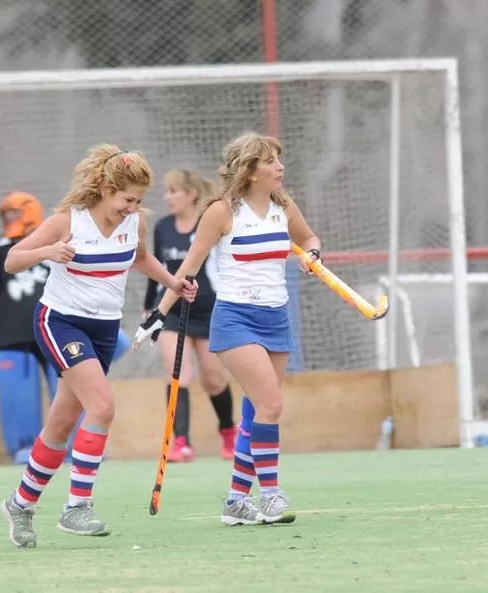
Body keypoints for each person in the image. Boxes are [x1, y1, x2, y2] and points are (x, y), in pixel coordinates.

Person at [0, 144, 197, 548]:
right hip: (61, 321)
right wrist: (48, 252)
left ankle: (20, 503)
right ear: (106, 188)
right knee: (102, 407)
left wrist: (173, 282)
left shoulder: (135, 222)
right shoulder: (67, 221)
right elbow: (12, 261)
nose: (131, 207)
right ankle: (77, 507)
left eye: (138, 201)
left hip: (104, 330)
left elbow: (141, 259)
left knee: (60, 424)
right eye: (126, 199)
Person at [136, 132, 321, 526]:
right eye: (271, 161)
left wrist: (313, 255)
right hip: (236, 318)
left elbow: (307, 238)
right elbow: (188, 266)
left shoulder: (284, 206)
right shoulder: (222, 211)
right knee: (271, 404)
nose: (280, 167)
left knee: (257, 409)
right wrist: (158, 314)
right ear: (250, 171)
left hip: (277, 317)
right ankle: (270, 494)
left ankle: (237, 499)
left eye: (279, 160)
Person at [0, 192, 133, 465]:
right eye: (6, 215)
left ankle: (82, 444)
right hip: (13, 336)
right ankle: (25, 446)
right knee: (17, 392)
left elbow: (90, 282)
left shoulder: (64, 238)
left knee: (73, 391)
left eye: (15, 214)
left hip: (61, 328)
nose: (10, 220)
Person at [143, 168, 236, 463]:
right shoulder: (162, 228)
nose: (167, 197)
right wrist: (151, 307)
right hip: (173, 310)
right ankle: (179, 441)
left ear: (191, 194)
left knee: (214, 379)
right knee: (177, 373)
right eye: (166, 191)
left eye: (174, 191)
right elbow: (154, 271)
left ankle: (229, 433)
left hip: (208, 309)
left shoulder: (209, 223)